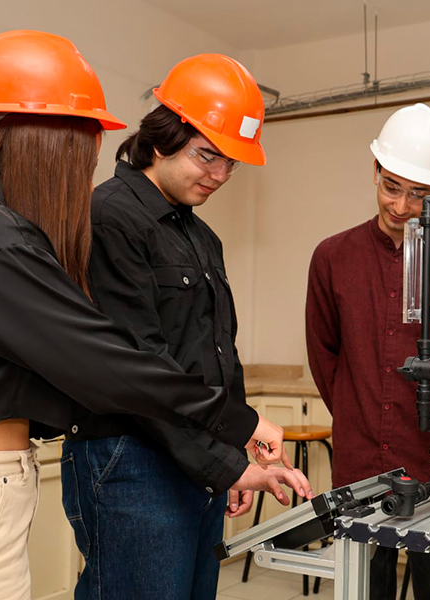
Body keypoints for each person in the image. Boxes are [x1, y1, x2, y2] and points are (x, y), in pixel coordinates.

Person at [0, 32, 287, 600]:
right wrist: (239, 426)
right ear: (47, 140)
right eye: (86, 143)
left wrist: (219, 459)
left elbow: (79, 370)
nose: (91, 162)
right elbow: (109, 362)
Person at [63, 53, 311, 600]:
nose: (219, 176)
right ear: (160, 139)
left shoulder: (200, 238)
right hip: (131, 460)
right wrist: (225, 454)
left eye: (231, 163)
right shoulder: (110, 218)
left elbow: (217, 353)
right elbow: (139, 367)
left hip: (187, 457)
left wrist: (228, 461)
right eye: (207, 156)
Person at [305, 103, 430, 600]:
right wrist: (360, 415)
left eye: (418, 194)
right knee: (364, 586)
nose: (399, 206)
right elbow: (323, 356)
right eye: (391, 186)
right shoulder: (333, 256)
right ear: (375, 171)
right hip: (359, 462)